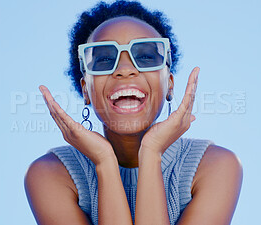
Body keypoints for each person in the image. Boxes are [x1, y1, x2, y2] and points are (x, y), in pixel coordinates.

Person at [24, 1, 243, 224]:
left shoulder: (216, 166)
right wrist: (104, 161)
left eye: (146, 56)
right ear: (85, 89)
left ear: (169, 84)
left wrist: (151, 153)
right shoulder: (49, 174)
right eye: (104, 59)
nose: (125, 70)